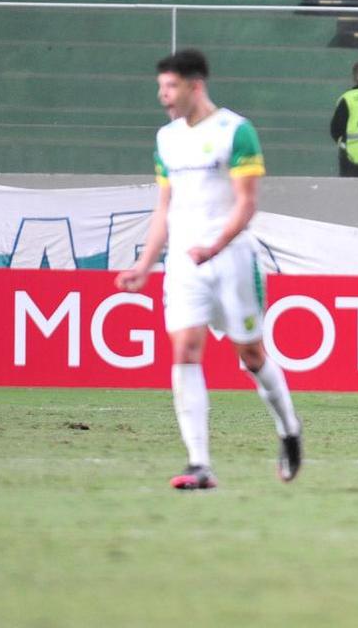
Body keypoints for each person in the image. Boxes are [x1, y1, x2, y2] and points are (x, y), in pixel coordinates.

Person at [116, 49, 303, 491]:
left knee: (251, 355)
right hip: (184, 262)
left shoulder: (236, 132)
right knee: (184, 349)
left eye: (170, 87)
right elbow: (164, 207)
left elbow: (247, 203)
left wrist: (215, 245)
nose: (163, 96)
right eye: (160, 87)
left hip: (233, 260)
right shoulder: (166, 139)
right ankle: (200, 463)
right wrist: (145, 262)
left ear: (194, 86)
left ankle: (289, 431)